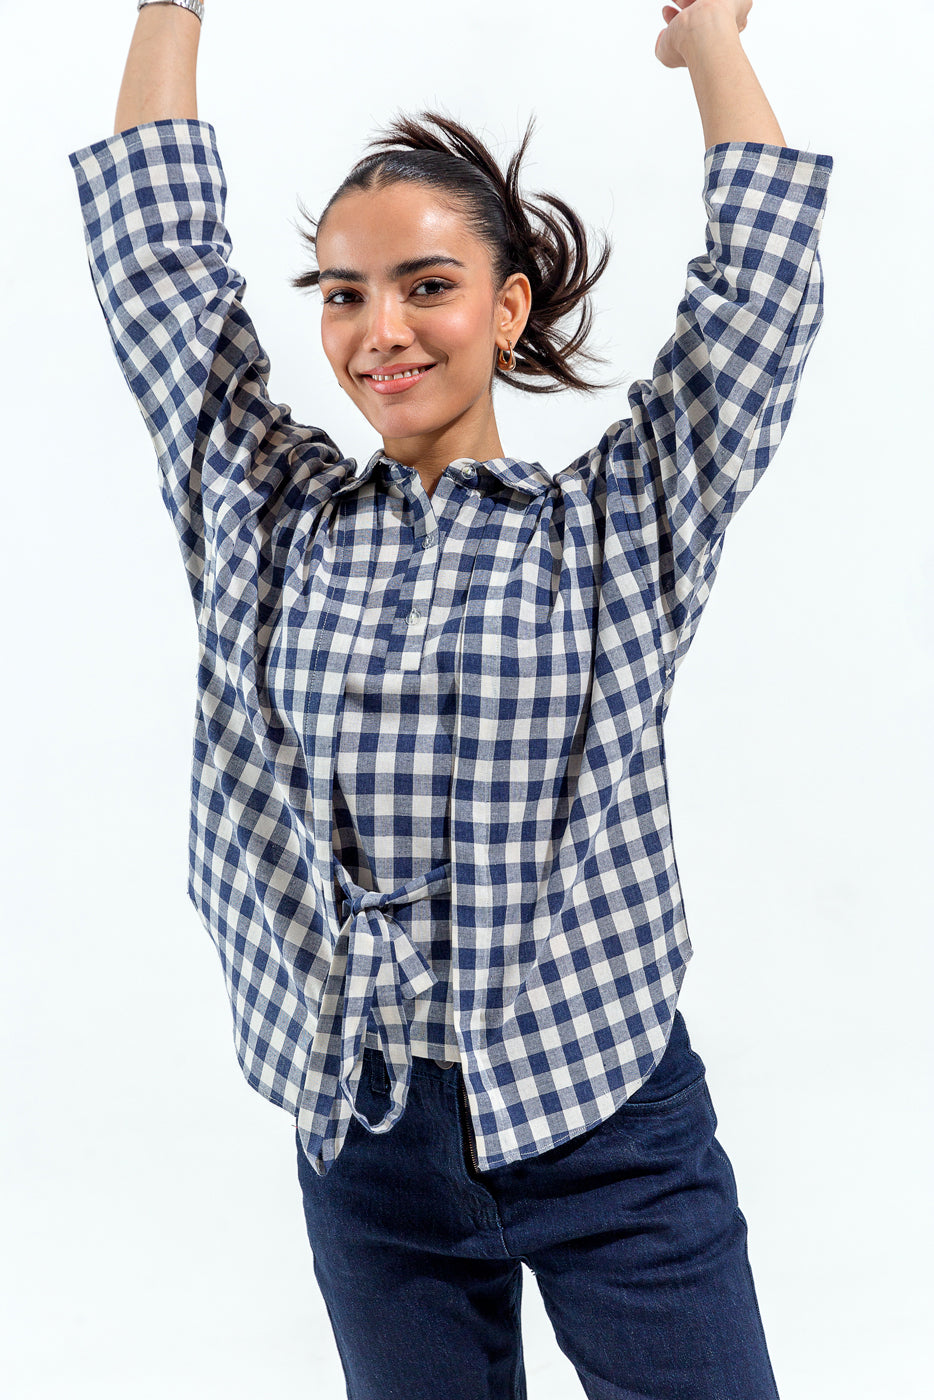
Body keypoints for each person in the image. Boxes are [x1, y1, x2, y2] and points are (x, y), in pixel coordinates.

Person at [67, 2, 833, 1396]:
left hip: (606, 1121)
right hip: (367, 1144)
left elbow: (758, 305)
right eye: (344, 295)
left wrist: (709, 37)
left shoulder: (613, 527)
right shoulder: (263, 513)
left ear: (507, 304)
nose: (379, 332)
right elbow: (157, 267)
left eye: (426, 285)